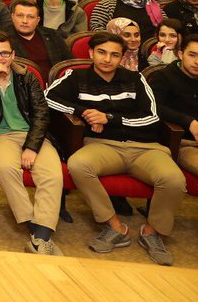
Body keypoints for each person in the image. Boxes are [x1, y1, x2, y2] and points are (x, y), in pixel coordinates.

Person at [45, 31, 186, 265]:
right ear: (91, 53)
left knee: (174, 180)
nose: (107, 59)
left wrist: (108, 117)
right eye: (101, 52)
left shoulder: (135, 79)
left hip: (145, 147)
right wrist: (84, 113)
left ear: (122, 58)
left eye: (114, 55)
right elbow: (47, 97)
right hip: (103, 145)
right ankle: (115, 226)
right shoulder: (75, 77)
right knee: (79, 165)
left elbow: (151, 117)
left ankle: (152, 232)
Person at [0, 31, 65, 255]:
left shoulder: (26, 76)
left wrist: (32, 146)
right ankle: (37, 229)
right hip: (0, 136)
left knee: (52, 174)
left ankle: (39, 239)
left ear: (13, 55)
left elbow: (41, 113)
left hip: (32, 134)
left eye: (4, 53)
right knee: (5, 169)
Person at [149, 31, 198, 184]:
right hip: (181, 143)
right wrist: (189, 122)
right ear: (180, 54)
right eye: (192, 55)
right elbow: (153, 107)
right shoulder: (164, 76)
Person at [4, 0, 70, 81]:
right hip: (21, 86)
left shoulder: (52, 35)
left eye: (30, 17)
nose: (25, 21)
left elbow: (69, 63)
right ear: (12, 17)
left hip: (55, 85)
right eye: (20, 16)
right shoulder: (2, 38)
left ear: (38, 20)